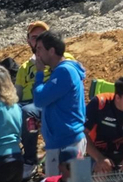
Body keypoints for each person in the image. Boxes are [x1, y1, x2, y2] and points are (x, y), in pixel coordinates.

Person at [31, 30, 87, 176]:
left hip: (68, 142)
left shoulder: (65, 72)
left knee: (77, 180)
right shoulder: (61, 71)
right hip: (61, 141)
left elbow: (39, 99)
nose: (37, 54)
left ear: (51, 51)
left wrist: (39, 74)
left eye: (39, 49)